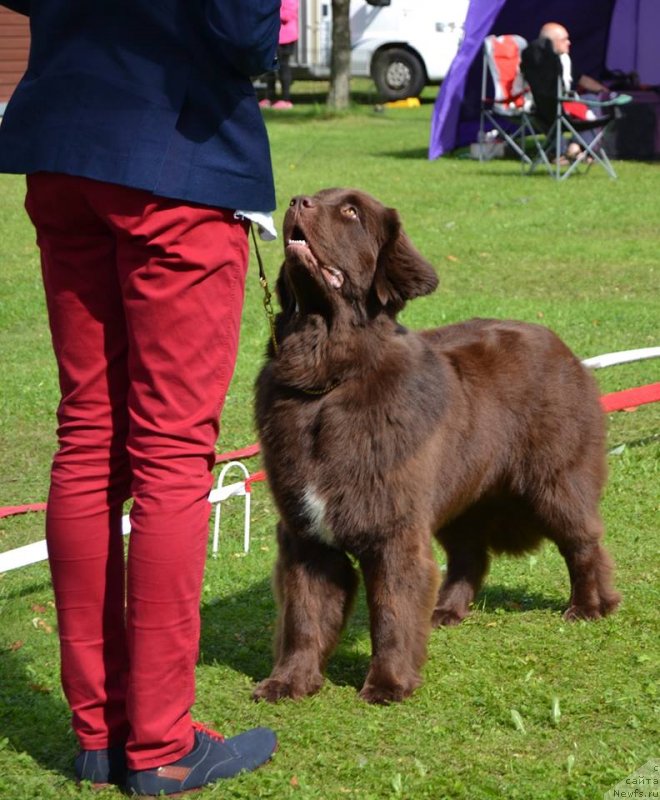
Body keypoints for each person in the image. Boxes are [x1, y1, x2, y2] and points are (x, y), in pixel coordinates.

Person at [0, 0, 280, 795]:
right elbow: (246, 35)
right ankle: (159, 746)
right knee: (171, 454)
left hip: (63, 141)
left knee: (87, 436)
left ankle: (99, 734)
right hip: (176, 157)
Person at [521, 22, 612, 160]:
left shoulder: (563, 61)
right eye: (564, 39)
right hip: (546, 110)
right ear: (551, 42)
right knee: (586, 103)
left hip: (560, 108)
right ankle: (570, 149)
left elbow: (580, 78)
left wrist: (603, 90)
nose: (569, 43)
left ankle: (574, 148)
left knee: (592, 99)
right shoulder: (537, 64)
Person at [260, 0, 300, 110]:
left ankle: (286, 100)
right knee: (270, 68)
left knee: (283, 68)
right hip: (272, 37)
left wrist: (271, 11)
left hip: (286, 38)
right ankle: (270, 98)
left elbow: (288, 15)